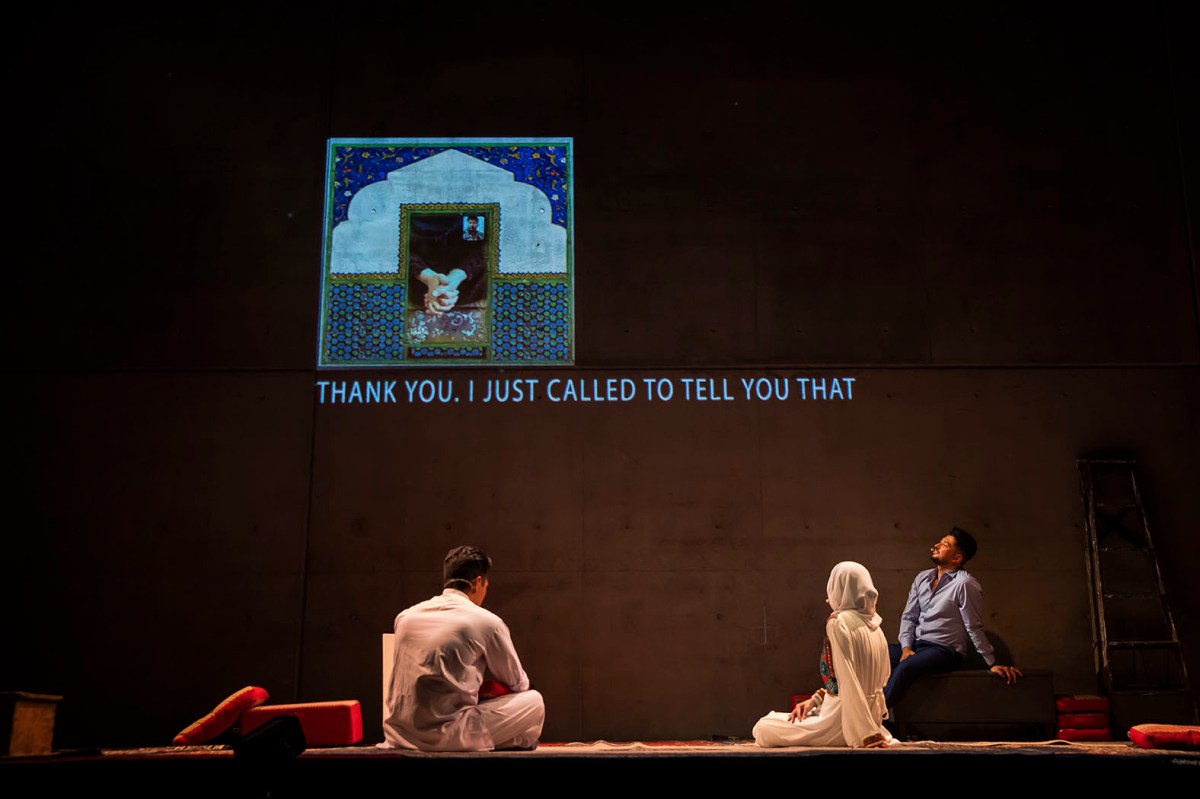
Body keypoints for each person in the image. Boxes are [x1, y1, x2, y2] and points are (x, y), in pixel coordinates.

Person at [381, 545, 544, 751]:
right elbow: (518, 683)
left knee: (519, 727)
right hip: (448, 736)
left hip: (399, 735)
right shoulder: (487, 622)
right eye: (486, 586)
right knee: (534, 702)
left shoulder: (405, 617)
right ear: (477, 583)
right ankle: (516, 741)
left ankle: (513, 740)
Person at [753, 561, 894, 748]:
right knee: (779, 719)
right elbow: (869, 681)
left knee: (764, 726)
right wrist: (816, 699)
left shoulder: (838, 622)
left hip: (848, 723)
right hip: (869, 718)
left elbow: (849, 680)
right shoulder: (875, 626)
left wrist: (868, 735)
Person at [884, 527, 1022, 707]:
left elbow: (973, 626)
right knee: (878, 656)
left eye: (945, 544)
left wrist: (992, 663)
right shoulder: (922, 578)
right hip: (918, 645)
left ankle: (874, 719)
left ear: (957, 558)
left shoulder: (965, 584)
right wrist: (906, 647)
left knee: (906, 667)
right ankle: (871, 714)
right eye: (940, 541)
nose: (937, 545)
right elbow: (909, 616)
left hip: (945, 651)